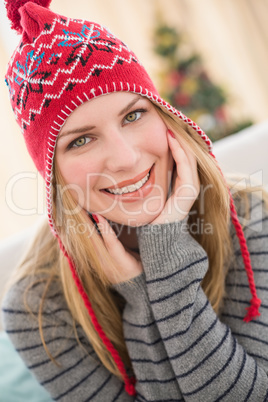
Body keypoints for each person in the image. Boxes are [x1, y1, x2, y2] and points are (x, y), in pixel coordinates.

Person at [2, 1, 268, 401]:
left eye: (133, 116)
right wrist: (142, 296)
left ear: (166, 118)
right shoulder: (36, 308)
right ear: (52, 174)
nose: (126, 159)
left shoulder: (252, 215)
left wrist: (162, 264)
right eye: (81, 140)